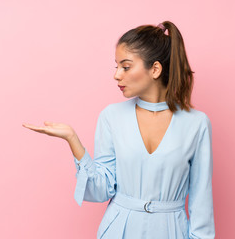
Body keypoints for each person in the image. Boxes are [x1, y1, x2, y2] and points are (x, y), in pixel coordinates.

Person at [23, 21, 215, 239]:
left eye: (125, 66)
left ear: (155, 69)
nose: (116, 75)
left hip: (171, 231)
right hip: (120, 230)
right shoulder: (111, 117)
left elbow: (202, 201)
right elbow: (100, 190)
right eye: (116, 67)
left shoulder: (196, 123)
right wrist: (73, 140)